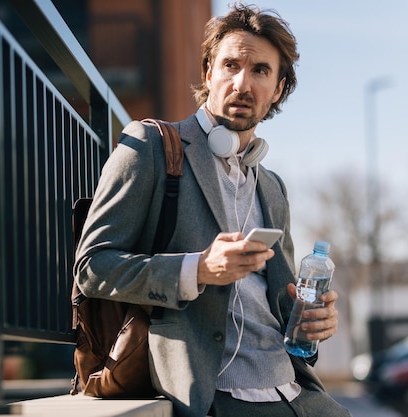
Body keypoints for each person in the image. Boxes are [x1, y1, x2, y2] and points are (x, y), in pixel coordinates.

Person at [73, 3, 351, 417]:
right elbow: (92, 268)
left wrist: (312, 321)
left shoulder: (272, 186)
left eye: (260, 71)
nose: (242, 82)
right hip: (210, 392)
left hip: (295, 391)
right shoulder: (150, 146)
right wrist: (197, 269)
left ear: (278, 89)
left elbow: (281, 299)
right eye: (230, 65)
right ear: (208, 73)